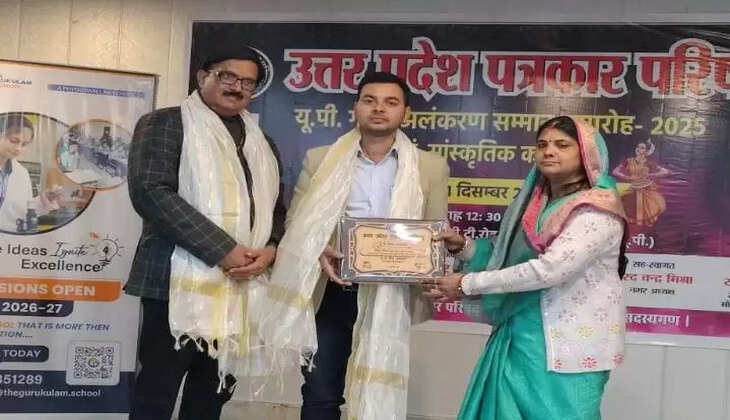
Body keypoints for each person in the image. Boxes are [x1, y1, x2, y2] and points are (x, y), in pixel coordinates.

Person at [259, 72, 449, 420]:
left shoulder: (431, 167)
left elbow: (435, 231)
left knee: (377, 385)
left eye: (390, 102)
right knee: (320, 391)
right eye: (369, 100)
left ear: (405, 112)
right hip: (331, 287)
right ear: (356, 107)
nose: (379, 109)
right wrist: (318, 248)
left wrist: (430, 265)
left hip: (391, 292)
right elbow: (297, 222)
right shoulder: (320, 159)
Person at [426, 116, 627, 420]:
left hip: (570, 344)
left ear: (587, 154)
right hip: (522, 333)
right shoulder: (535, 205)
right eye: (542, 144)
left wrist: (466, 283)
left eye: (562, 145)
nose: (549, 151)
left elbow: (549, 270)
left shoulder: (596, 210)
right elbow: (506, 258)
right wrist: (462, 246)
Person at [125, 45, 286, 420]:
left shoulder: (262, 142)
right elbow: (151, 192)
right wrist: (223, 249)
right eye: (227, 76)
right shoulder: (165, 123)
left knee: (213, 393)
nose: (237, 87)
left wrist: (270, 249)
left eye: (248, 82)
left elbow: (276, 210)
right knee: (157, 392)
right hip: (173, 282)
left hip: (241, 285)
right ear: (202, 77)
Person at [0, 114, 59, 232]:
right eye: (14, 141)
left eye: (24, 144)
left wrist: (44, 200)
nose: (18, 148)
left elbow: (22, 210)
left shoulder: (22, 173)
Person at [612, 139, 669, 226]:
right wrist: (626, 177)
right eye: (637, 147)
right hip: (632, 187)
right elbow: (615, 171)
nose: (638, 149)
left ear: (646, 151)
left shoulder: (649, 163)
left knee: (645, 203)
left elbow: (665, 172)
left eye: (642, 148)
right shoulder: (629, 161)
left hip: (646, 187)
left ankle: (641, 225)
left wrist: (651, 175)